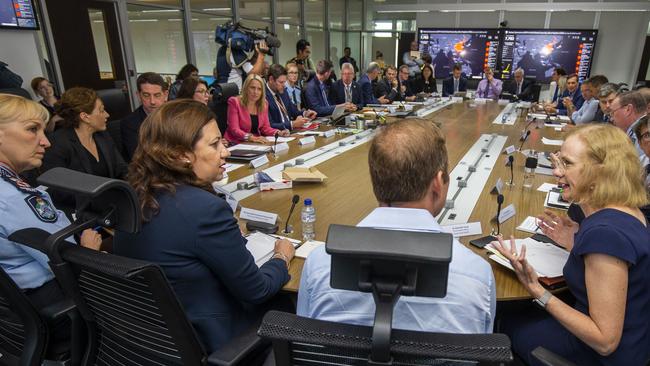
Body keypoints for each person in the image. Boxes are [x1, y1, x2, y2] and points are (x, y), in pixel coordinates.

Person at [113, 99, 294, 353]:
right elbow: (257, 290)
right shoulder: (205, 210)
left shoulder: (135, 196)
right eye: (214, 144)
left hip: (153, 341)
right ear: (180, 155)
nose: (226, 152)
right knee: (291, 301)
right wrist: (281, 256)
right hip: (216, 340)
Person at [297, 119, 496, 334]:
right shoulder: (477, 276)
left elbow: (302, 340)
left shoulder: (318, 264)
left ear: (376, 180)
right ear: (438, 183)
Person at [493, 124, 650, 365]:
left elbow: (605, 341)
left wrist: (537, 290)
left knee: (503, 319)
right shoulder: (626, 210)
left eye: (567, 163)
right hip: (632, 341)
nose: (557, 171)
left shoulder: (604, 234)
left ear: (600, 171)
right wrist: (574, 242)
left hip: (598, 355)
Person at [0, 94, 102, 356]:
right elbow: (65, 261)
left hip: (17, 314)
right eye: (32, 130)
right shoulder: (11, 197)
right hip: (57, 309)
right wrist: (89, 249)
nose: (45, 142)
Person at [42, 87, 127, 215]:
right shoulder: (57, 143)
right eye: (102, 110)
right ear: (85, 116)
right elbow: (58, 191)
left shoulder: (103, 135)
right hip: (81, 214)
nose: (107, 115)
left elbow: (122, 169)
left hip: (111, 207)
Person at [225, 74, 288, 144]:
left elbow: (265, 128)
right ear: (246, 88)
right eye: (252, 88)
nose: (255, 92)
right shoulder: (234, 102)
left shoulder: (264, 104)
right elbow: (234, 129)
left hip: (255, 142)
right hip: (235, 142)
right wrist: (251, 138)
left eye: (259, 89)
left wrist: (278, 133)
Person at [121, 72, 169, 162]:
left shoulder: (174, 116)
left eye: (157, 95)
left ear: (165, 95)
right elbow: (140, 158)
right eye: (146, 95)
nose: (152, 101)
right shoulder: (129, 123)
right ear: (138, 96)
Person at [265, 64, 316, 131]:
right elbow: (270, 125)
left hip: (290, 132)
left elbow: (294, 111)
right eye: (281, 82)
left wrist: (305, 114)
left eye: (285, 82)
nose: (284, 85)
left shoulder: (283, 91)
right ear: (271, 79)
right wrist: (292, 124)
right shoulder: (263, 95)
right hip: (277, 135)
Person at [609, 90, 649, 165]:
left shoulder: (642, 133)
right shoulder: (634, 130)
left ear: (628, 109)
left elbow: (635, 168)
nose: (611, 118)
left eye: (613, 112)